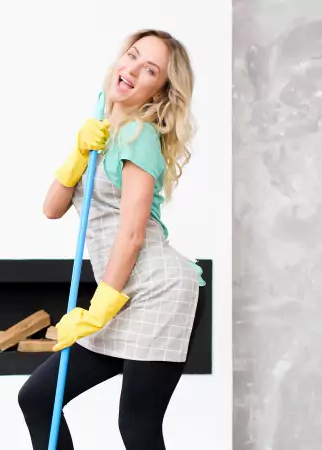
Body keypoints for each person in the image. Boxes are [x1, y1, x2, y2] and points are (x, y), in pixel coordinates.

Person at [17, 29, 205, 450]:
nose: (133, 70)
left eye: (150, 70)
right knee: (38, 398)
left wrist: (100, 307)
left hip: (157, 291)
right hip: (122, 291)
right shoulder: (102, 126)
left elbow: (133, 233)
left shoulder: (140, 136)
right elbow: (52, 208)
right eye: (133, 57)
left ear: (160, 91)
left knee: (137, 425)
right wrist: (78, 153)